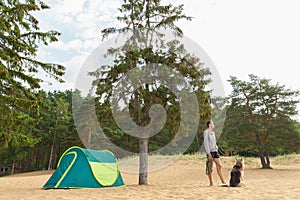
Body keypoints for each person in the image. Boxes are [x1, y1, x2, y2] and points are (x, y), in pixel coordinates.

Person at [203, 120, 226, 186]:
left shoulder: (213, 133)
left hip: (215, 151)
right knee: (210, 167)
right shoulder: (206, 132)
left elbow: (214, 142)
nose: (213, 125)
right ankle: (211, 182)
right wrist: (208, 153)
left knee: (219, 165)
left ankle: (223, 181)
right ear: (209, 125)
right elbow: (206, 143)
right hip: (210, 152)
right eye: (212, 124)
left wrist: (216, 148)